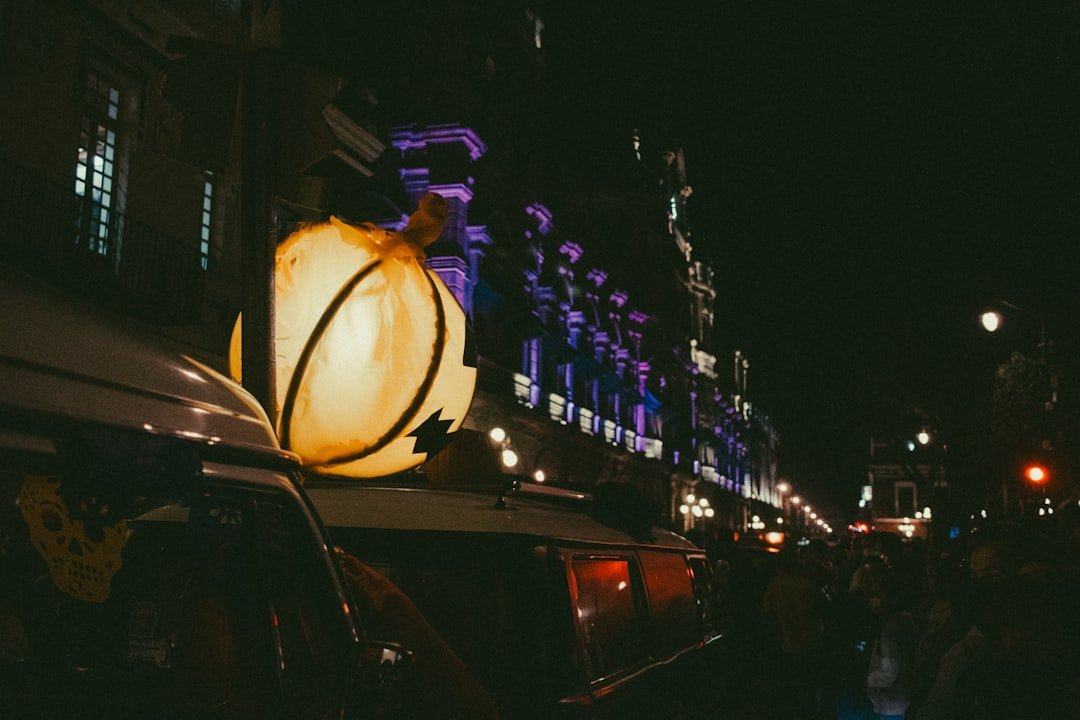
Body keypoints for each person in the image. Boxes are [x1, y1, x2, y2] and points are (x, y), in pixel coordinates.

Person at [865, 571, 917, 720]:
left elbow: (889, 672)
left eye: (878, 595)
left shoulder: (890, 629)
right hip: (905, 699)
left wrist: (869, 680)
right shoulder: (908, 620)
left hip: (891, 702)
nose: (874, 600)